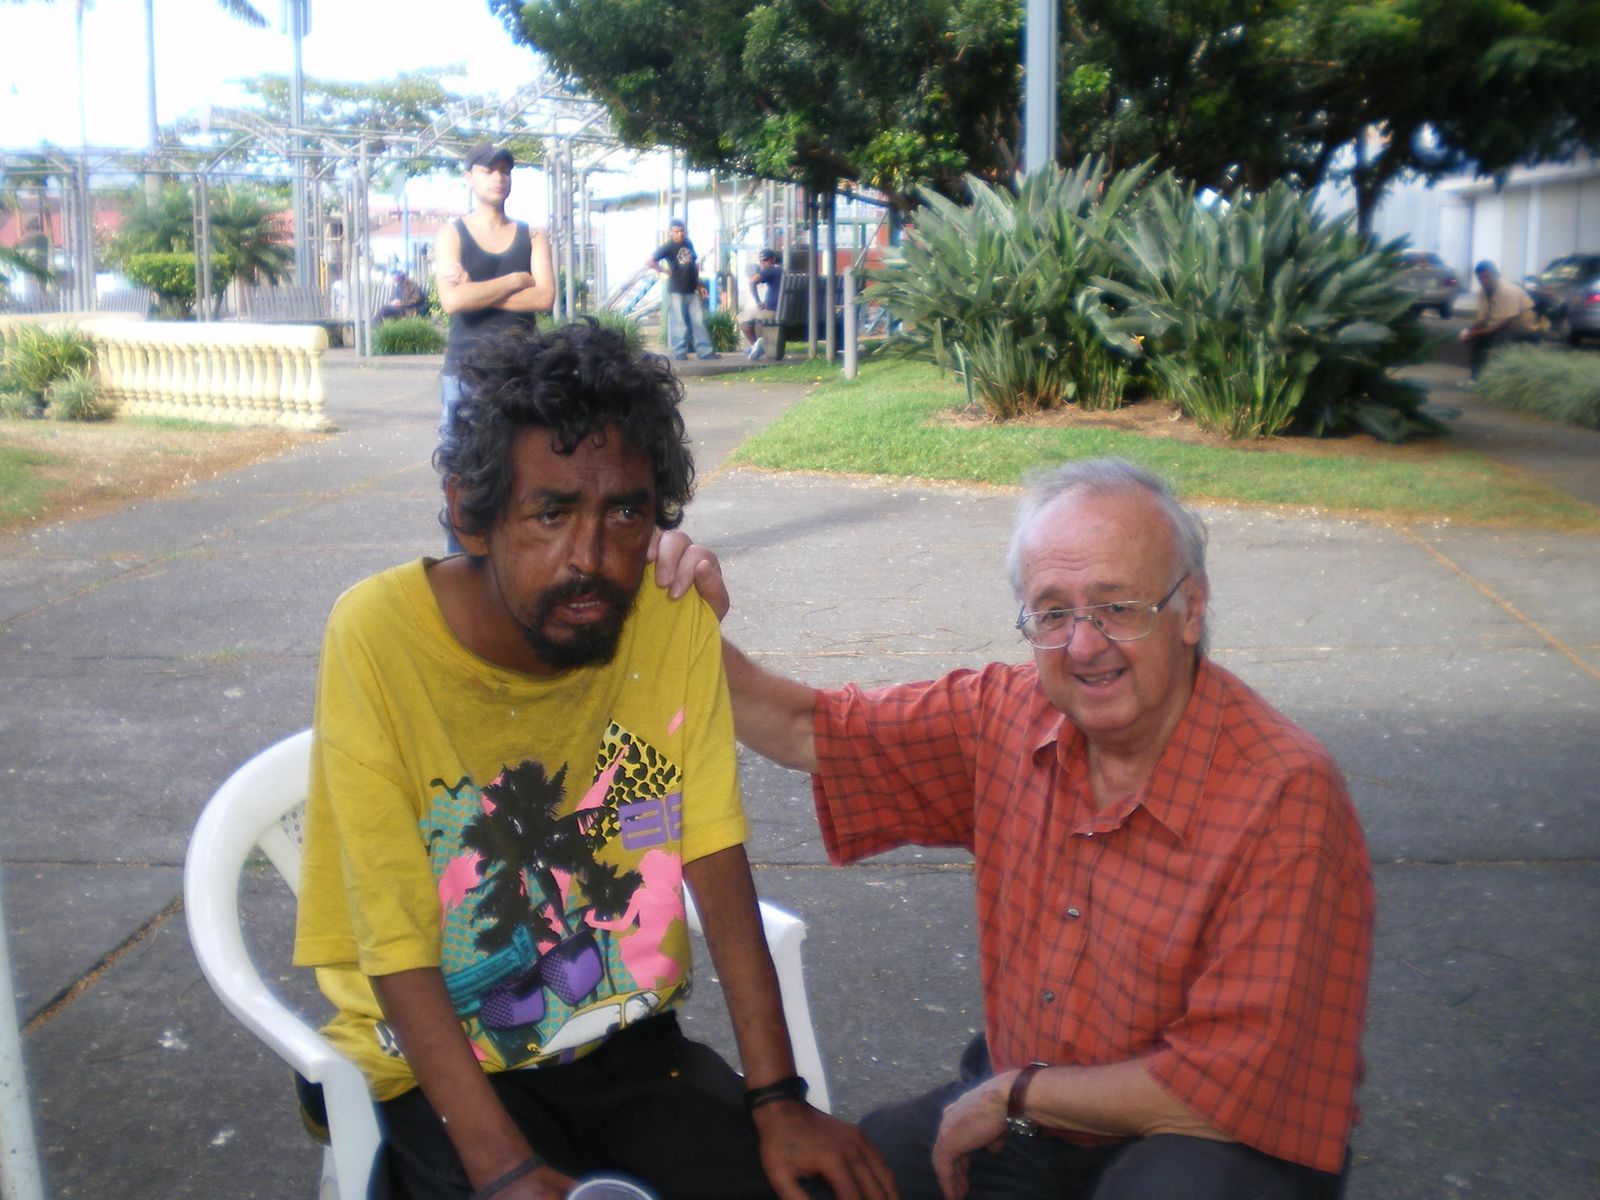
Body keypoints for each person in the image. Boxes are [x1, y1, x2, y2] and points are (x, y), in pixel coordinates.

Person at [658, 457, 1375, 1200]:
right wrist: (670, 616)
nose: (1084, 646)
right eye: (1053, 613)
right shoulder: (1007, 716)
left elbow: (1233, 1085)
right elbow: (804, 727)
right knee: (837, 1181)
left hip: (1211, 1134)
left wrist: (1017, 1093)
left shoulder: (1283, 792)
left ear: (1190, 609)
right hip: (1031, 1117)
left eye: (1117, 607)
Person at [293, 319, 893, 1200]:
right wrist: (502, 1169)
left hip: (625, 1043)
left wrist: (777, 1098)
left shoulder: (670, 614)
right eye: (551, 513)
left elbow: (713, 851)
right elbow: (392, 932)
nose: (592, 558)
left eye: (625, 513)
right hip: (435, 1067)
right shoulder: (376, 635)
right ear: (473, 514)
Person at [435, 142, 557, 551]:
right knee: (463, 477)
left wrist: (478, 292)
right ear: (469, 177)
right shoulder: (451, 235)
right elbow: (453, 301)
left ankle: (517, 562)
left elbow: (545, 298)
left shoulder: (533, 235)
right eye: (488, 170)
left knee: (524, 474)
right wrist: (515, 281)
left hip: (521, 375)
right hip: (465, 375)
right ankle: (460, 563)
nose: (499, 177)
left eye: (505, 170)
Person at [1458, 259, 1543, 378]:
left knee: (1501, 339)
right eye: (1480, 278)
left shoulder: (1507, 291)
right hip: (1505, 327)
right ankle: (1476, 377)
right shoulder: (1482, 292)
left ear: (1496, 275)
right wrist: (1469, 331)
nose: (1484, 281)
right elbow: (1481, 320)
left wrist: (1475, 333)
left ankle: (1502, 376)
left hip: (1527, 329)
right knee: (1479, 338)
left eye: (1487, 277)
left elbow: (1505, 324)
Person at [648, 217, 718, 361]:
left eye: (681, 231)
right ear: (670, 232)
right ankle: (679, 352)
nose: (679, 234)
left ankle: (705, 352)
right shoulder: (667, 247)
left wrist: (699, 284)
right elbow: (650, 261)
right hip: (676, 290)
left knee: (699, 321)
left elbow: (694, 265)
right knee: (679, 323)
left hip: (691, 289)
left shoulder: (688, 243)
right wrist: (664, 270)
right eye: (676, 231)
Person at [739, 249, 784, 361]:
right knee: (756, 316)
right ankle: (757, 346)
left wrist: (758, 302)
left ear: (773, 259)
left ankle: (756, 345)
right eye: (761, 261)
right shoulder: (782, 271)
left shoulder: (770, 269)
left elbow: (752, 282)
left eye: (765, 260)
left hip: (773, 313)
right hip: (784, 312)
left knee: (742, 317)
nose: (763, 263)